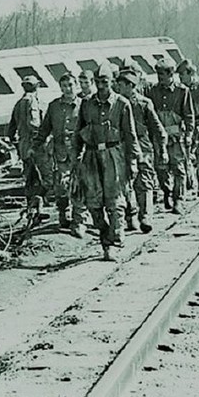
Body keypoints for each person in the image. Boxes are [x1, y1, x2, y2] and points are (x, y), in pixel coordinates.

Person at [73, 63, 141, 261]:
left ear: (112, 82)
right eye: (98, 82)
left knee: (114, 201)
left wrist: (133, 161)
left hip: (114, 155)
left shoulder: (122, 104)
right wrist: (76, 159)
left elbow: (130, 135)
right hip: (91, 156)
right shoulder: (86, 104)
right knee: (93, 202)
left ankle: (113, 242)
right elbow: (78, 133)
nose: (101, 86)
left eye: (105, 82)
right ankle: (104, 233)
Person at [34, 73, 86, 237]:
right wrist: (35, 146)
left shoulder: (84, 105)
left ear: (76, 85)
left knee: (79, 187)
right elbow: (44, 128)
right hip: (60, 153)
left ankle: (79, 221)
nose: (67, 89)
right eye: (64, 86)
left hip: (80, 153)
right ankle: (64, 214)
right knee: (61, 186)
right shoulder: (54, 106)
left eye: (70, 85)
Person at [116, 68, 167, 233]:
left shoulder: (144, 103)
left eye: (121, 85)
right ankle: (130, 216)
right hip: (121, 147)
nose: (118, 87)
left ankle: (146, 216)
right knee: (124, 183)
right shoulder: (115, 104)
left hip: (142, 145)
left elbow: (157, 127)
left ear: (131, 86)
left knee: (144, 182)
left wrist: (162, 147)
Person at [147, 58, 194, 214]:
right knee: (161, 168)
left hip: (176, 136)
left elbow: (188, 114)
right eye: (158, 74)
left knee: (179, 169)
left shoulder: (182, 91)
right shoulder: (153, 91)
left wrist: (189, 134)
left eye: (162, 74)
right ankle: (166, 191)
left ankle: (178, 200)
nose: (160, 78)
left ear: (171, 74)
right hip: (159, 137)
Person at [6, 75, 50, 220]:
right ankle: (35, 207)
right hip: (34, 145)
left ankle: (33, 209)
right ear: (36, 87)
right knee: (42, 178)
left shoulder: (18, 103)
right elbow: (34, 125)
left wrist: (15, 143)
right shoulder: (32, 102)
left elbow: (11, 128)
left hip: (24, 146)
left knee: (30, 178)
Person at [177, 59, 199, 196]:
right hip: (184, 128)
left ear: (190, 73)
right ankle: (188, 184)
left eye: (183, 75)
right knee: (184, 158)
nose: (181, 78)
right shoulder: (179, 90)